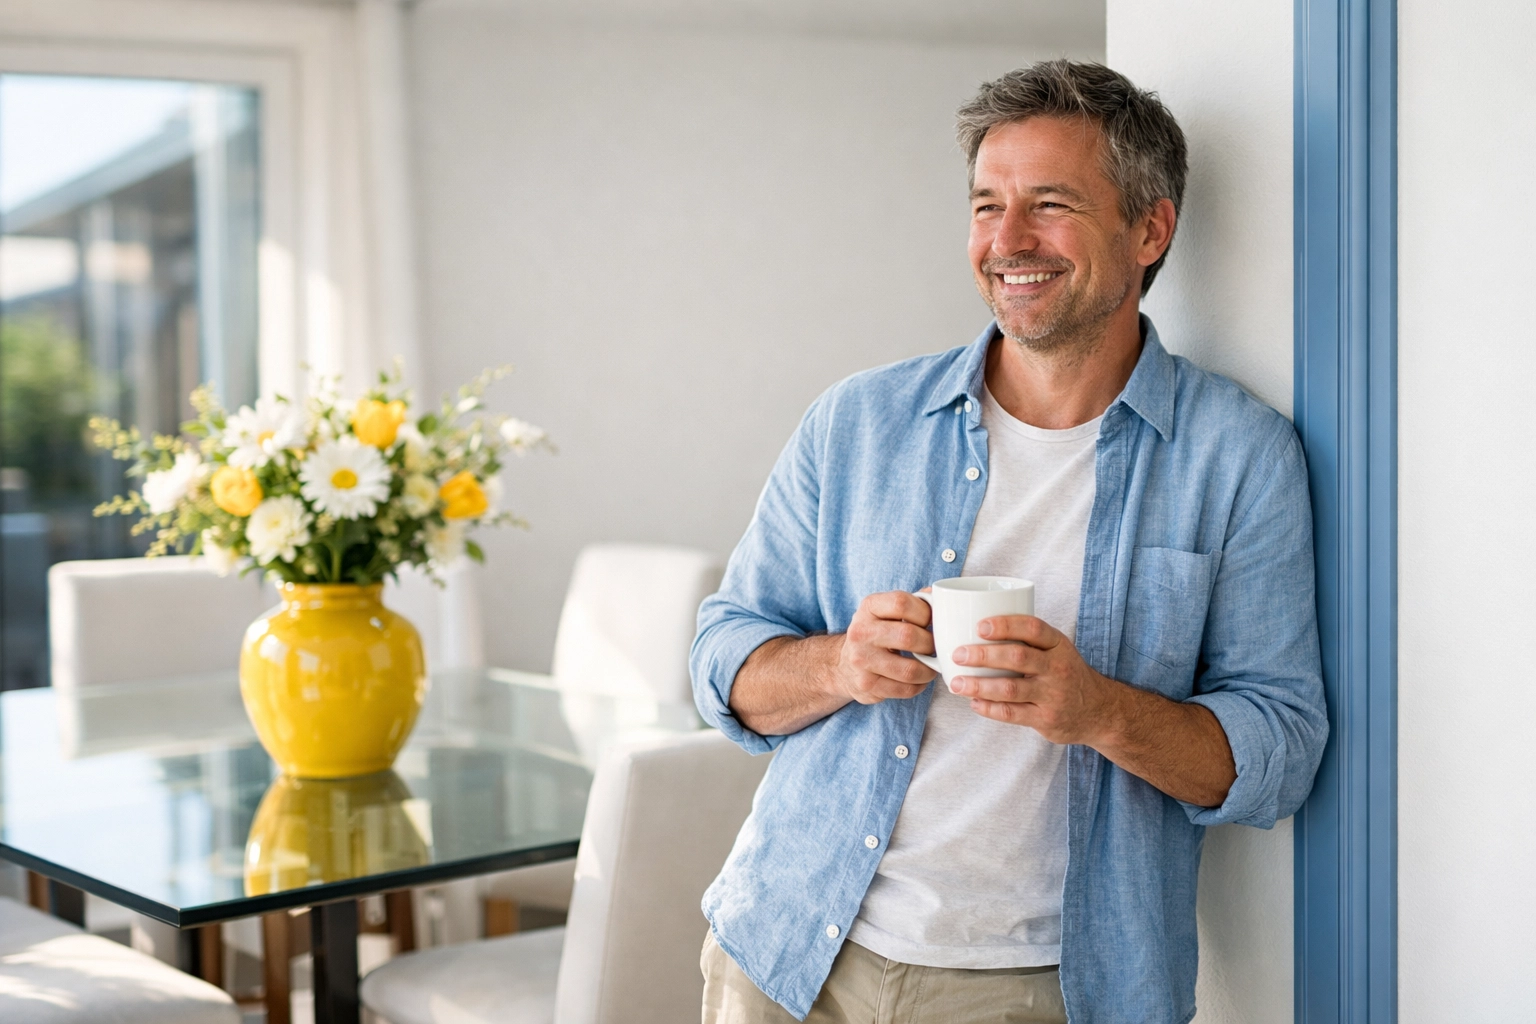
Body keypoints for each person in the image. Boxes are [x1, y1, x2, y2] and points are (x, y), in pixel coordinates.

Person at [690, 60, 1328, 1024]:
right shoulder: (857, 423)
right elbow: (719, 660)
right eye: (988, 206)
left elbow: (1280, 747)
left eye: (1050, 204)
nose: (1008, 241)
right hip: (787, 958)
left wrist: (1098, 710)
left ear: (1149, 229)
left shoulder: (1239, 457)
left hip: (1048, 992)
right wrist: (840, 666)